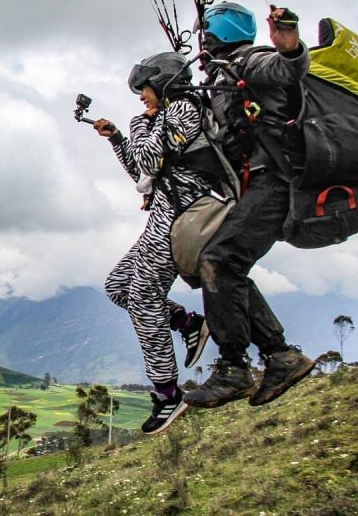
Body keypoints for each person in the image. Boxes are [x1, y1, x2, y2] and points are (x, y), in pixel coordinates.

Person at [183, 2, 316, 409]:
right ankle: (280, 355)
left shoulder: (249, 60)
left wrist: (289, 45)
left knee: (218, 261)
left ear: (219, 33)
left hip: (277, 182)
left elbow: (288, 68)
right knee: (227, 265)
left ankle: (234, 367)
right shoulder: (223, 77)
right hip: (260, 184)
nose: (200, 41)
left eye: (205, 33)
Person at [94, 52, 212, 435]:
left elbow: (148, 155)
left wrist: (140, 125)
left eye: (144, 89)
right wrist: (117, 139)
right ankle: (187, 321)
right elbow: (143, 168)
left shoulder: (183, 112)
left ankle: (167, 395)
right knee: (117, 286)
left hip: (180, 218)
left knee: (143, 298)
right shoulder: (164, 116)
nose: (141, 97)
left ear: (162, 82)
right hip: (162, 215)